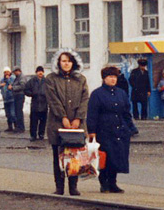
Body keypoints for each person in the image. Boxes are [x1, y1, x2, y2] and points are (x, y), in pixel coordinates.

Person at [87, 66, 137, 194]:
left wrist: (131, 128)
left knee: (117, 157)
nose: (113, 79)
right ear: (104, 79)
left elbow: (126, 112)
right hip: (104, 130)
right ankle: (104, 183)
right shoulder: (97, 94)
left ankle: (113, 183)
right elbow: (92, 114)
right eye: (110, 77)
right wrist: (91, 131)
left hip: (120, 130)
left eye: (115, 77)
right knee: (104, 157)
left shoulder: (121, 93)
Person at [45, 50, 88, 196]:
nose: (66, 64)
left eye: (69, 61)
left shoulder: (80, 79)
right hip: (57, 124)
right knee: (58, 156)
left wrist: (78, 118)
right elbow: (52, 99)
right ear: (58, 62)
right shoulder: (51, 79)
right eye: (63, 61)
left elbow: (84, 100)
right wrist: (63, 117)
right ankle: (59, 186)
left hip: (76, 125)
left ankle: (73, 186)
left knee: (74, 156)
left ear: (74, 63)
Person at [24, 66, 48, 141]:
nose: (40, 73)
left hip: (44, 104)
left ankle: (41, 134)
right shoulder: (32, 81)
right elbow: (26, 90)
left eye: (41, 71)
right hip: (35, 104)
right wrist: (32, 94)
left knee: (43, 121)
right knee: (33, 121)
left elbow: (51, 90)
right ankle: (33, 135)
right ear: (36, 72)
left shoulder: (46, 81)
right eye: (38, 71)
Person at [7, 67, 26, 133]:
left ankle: (20, 127)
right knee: (17, 112)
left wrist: (13, 87)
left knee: (19, 112)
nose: (14, 74)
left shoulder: (21, 77)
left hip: (19, 95)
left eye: (15, 72)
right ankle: (19, 126)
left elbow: (22, 86)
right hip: (17, 95)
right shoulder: (18, 77)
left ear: (18, 71)